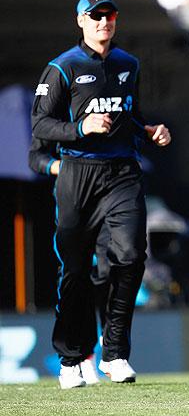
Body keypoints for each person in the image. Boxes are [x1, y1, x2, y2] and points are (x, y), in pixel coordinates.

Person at [31, 0, 172, 389]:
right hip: (78, 174)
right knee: (75, 272)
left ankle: (114, 353)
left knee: (130, 257)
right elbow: (41, 126)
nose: (102, 23)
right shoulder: (62, 68)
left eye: (109, 15)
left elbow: (131, 116)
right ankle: (71, 358)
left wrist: (150, 131)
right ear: (80, 21)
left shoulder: (129, 64)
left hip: (121, 172)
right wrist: (81, 129)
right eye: (95, 16)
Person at [28, 137, 112, 386]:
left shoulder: (106, 108)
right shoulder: (56, 115)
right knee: (75, 276)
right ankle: (80, 355)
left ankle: (112, 345)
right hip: (71, 203)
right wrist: (63, 168)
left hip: (108, 198)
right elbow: (36, 158)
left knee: (112, 267)